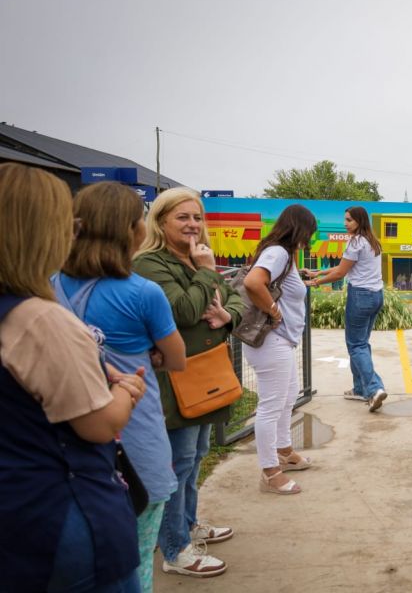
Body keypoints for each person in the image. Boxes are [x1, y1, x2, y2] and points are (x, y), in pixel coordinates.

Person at [0, 163, 145, 592]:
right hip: (63, 516)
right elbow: (98, 425)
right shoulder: (40, 319)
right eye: (68, 223)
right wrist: (126, 390)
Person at [56, 182, 186, 592]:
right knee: (135, 562)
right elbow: (177, 358)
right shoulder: (144, 293)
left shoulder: (47, 285)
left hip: (65, 442)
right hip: (136, 442)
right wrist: (146, 353)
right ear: (135, 230)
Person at [134, 187, 245, 578]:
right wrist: (205, 273)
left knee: (196, 455)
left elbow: (236, 299)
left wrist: (224, 317)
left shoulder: (197, 260)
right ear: (160, 221)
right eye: (183, 217)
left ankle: (189, 523)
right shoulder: (150, 264)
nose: (193, 225)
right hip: (177, 381)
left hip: (207, 374)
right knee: (178, 463)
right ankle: (175, 547)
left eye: (197, 217)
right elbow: (182, 310)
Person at [241, 204, 317, 495]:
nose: (309, 238)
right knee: (271, 406)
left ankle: (284, 452)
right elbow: (253, 282)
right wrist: (273, 311)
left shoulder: (285, 255)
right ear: (299, 228)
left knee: (288, 397)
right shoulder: (279, 253)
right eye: (308, 232)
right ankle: (270, 472)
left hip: (282, 342)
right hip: (272, 342)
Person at [305, 206, 388, 410]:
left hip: (360, 296)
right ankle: (360, 389)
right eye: (345, 219)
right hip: (376, 295)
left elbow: (341, 273)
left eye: (349, 220)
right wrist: (317, 272)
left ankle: (374, 388)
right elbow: (345, 266)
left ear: (359, 221)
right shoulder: (372, 241)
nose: (345, 223)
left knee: (356, 345)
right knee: (361, 343)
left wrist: (315, 283)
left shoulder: (355, 242)